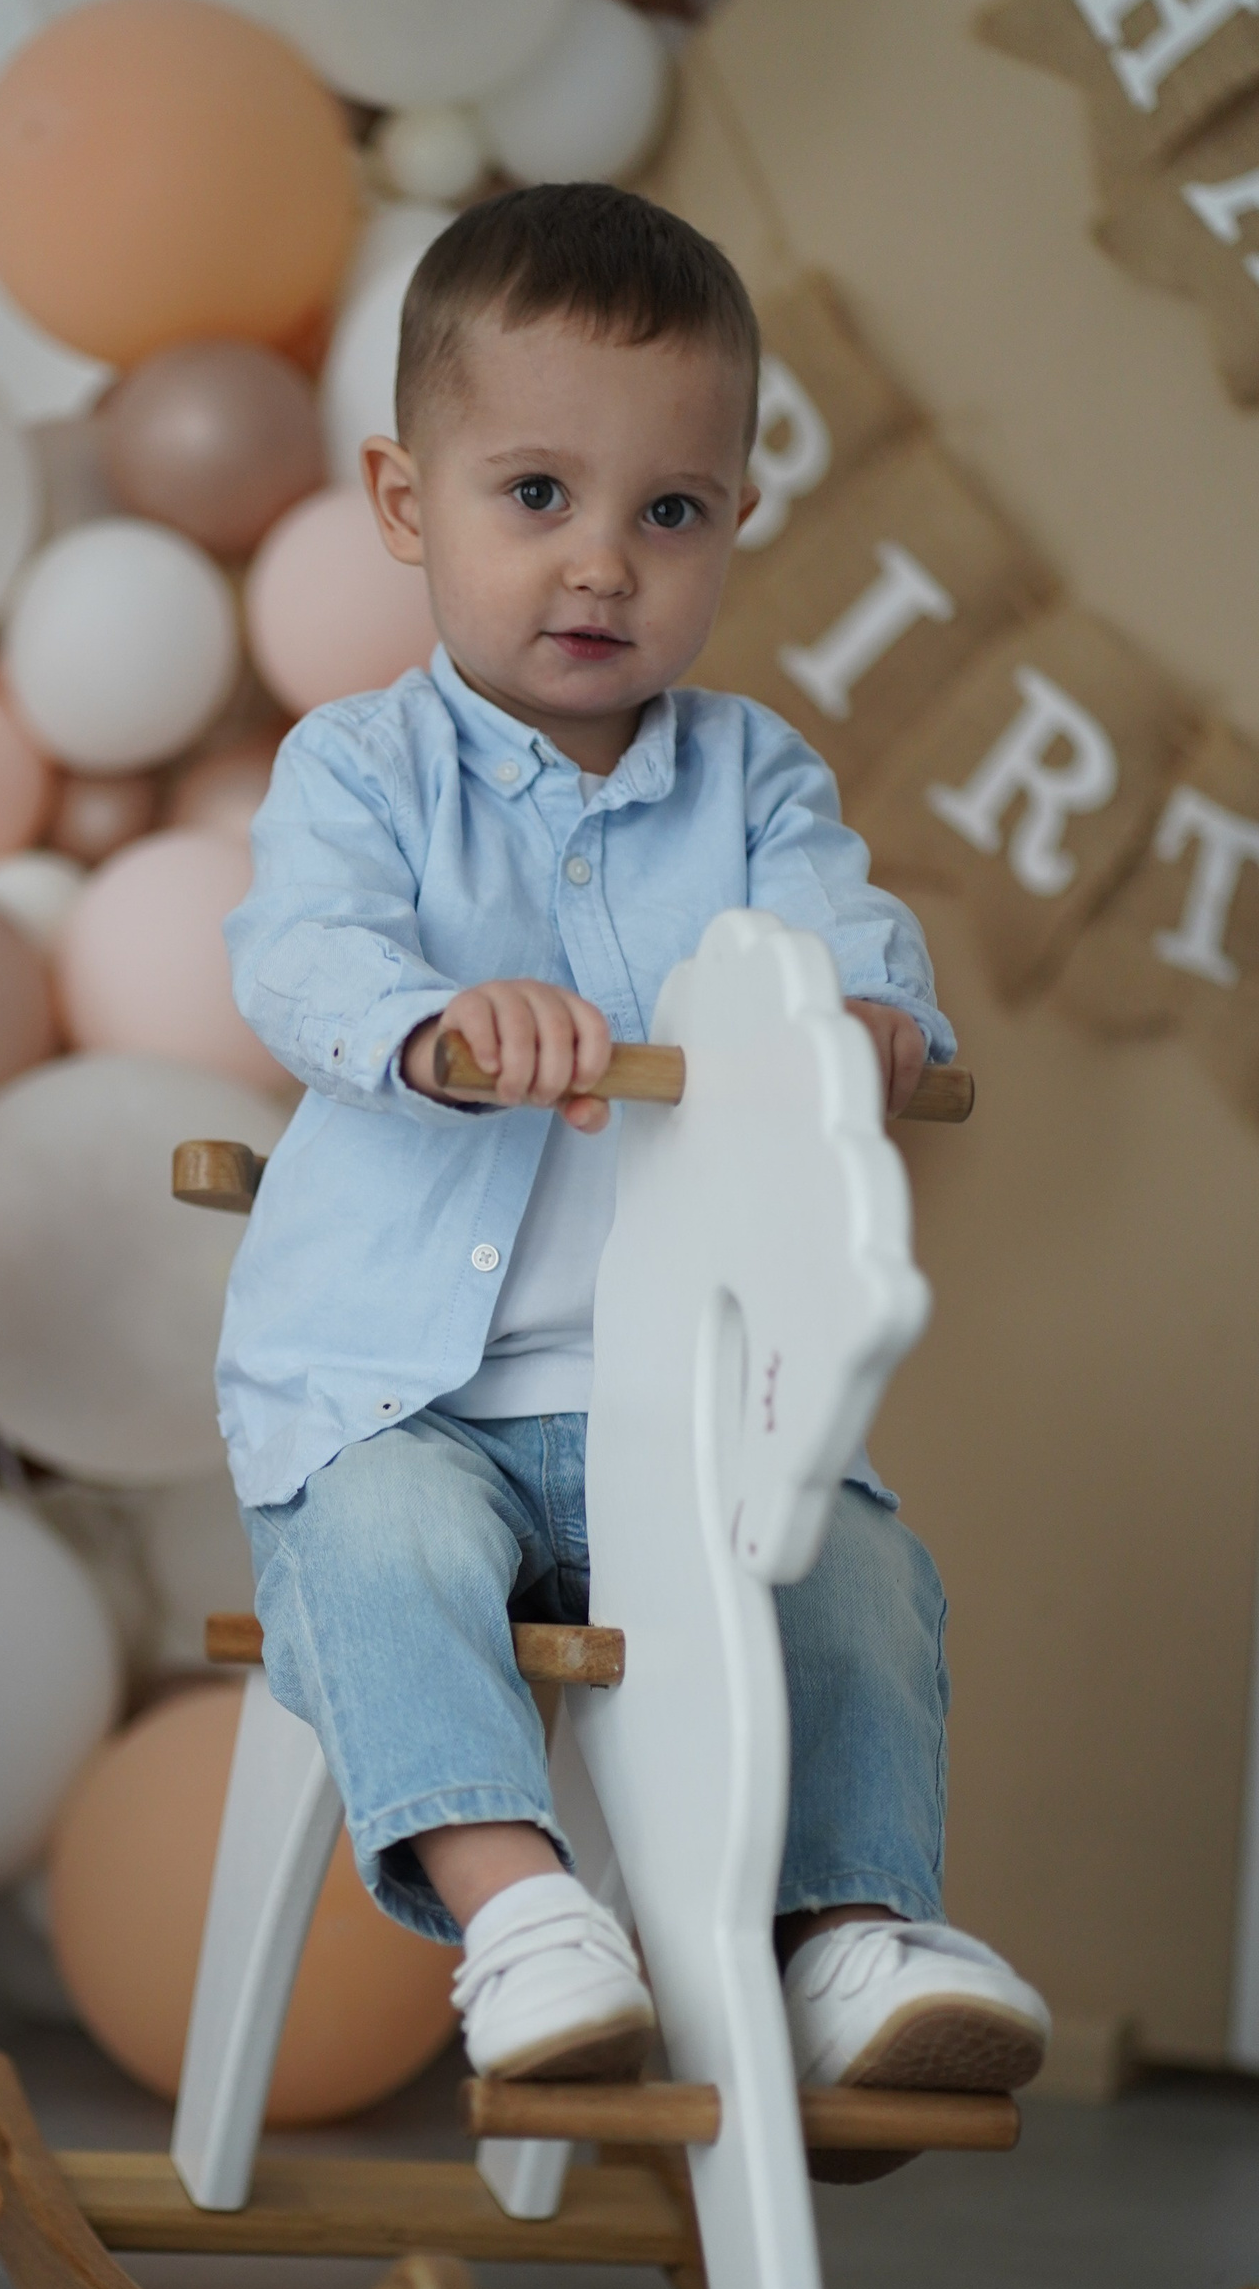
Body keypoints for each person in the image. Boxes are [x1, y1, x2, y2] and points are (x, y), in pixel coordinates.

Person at [217, 184, 1048, 2097]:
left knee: (848, 1562)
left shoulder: (752, 781)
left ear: (732, 522)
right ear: (407, 503)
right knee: (381, 1543)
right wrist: (435, 1025)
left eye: (667, 512)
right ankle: (518, 1913)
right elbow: (298, 952)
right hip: (405, 1397)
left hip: (684, 1412)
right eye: (536, 496)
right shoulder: (363, 769)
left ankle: (848, 1943)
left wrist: (863, 1018)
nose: (600, 564)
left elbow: (845, 924)